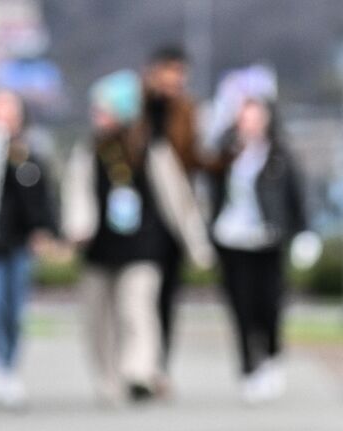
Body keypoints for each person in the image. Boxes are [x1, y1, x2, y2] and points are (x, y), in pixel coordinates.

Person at [61, 70, 213, 404]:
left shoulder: (152, 149)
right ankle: (107, 379)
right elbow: (77, 194)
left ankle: (139, 370)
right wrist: (77, 228)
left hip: (144, 247)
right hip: (99, 249)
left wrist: (196, 245)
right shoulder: (89, 150)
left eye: (103, 109)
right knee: (97, 320)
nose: (96, 115)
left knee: (137, 309)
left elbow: (178, 200)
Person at [208, 96, 306, 403]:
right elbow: (211, 191)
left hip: (267, 241)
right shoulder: (227, 154)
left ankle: (272, 358)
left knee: (269, 306)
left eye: (254, 117)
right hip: (232, 240)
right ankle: (248, 369)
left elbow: (295, 195)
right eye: (244, 118)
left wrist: (303, 232)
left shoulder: (279, 154)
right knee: (241, 309)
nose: (248, 123)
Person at [0, 90, 58, 409]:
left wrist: (43, 230)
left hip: (18, 245)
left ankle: (9, 367)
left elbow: (40, 198)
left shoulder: (27, 154)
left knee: (14, 309)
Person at [141, 44, 206, 375]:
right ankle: (138, 361)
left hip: (172, 217)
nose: (173, 81)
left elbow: (194, 158)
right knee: (139, 296)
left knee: (166, 295)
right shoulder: (136, 107)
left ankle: (159, 364)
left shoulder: (187, 111)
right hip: (139, 214)